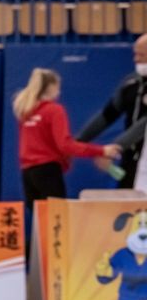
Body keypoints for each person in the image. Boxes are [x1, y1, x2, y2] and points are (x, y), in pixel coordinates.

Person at [14, 68, 121, 214]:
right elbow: (65, 145)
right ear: (52, 87)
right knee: (56, 218)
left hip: (28, 173)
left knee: (39, 220)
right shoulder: (54, 110)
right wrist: (101, 150)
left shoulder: (26, 111)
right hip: (48, 171)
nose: (59, 92)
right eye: (58, 87)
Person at [77, 33, 147, 188]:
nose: (136, 59)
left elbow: (144, 125)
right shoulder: (131, 82)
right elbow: (108, 114)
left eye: (141, 55)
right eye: (135, 54)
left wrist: (116, 147)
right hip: (131, 157)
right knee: (128, 198)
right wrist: (78, 142)